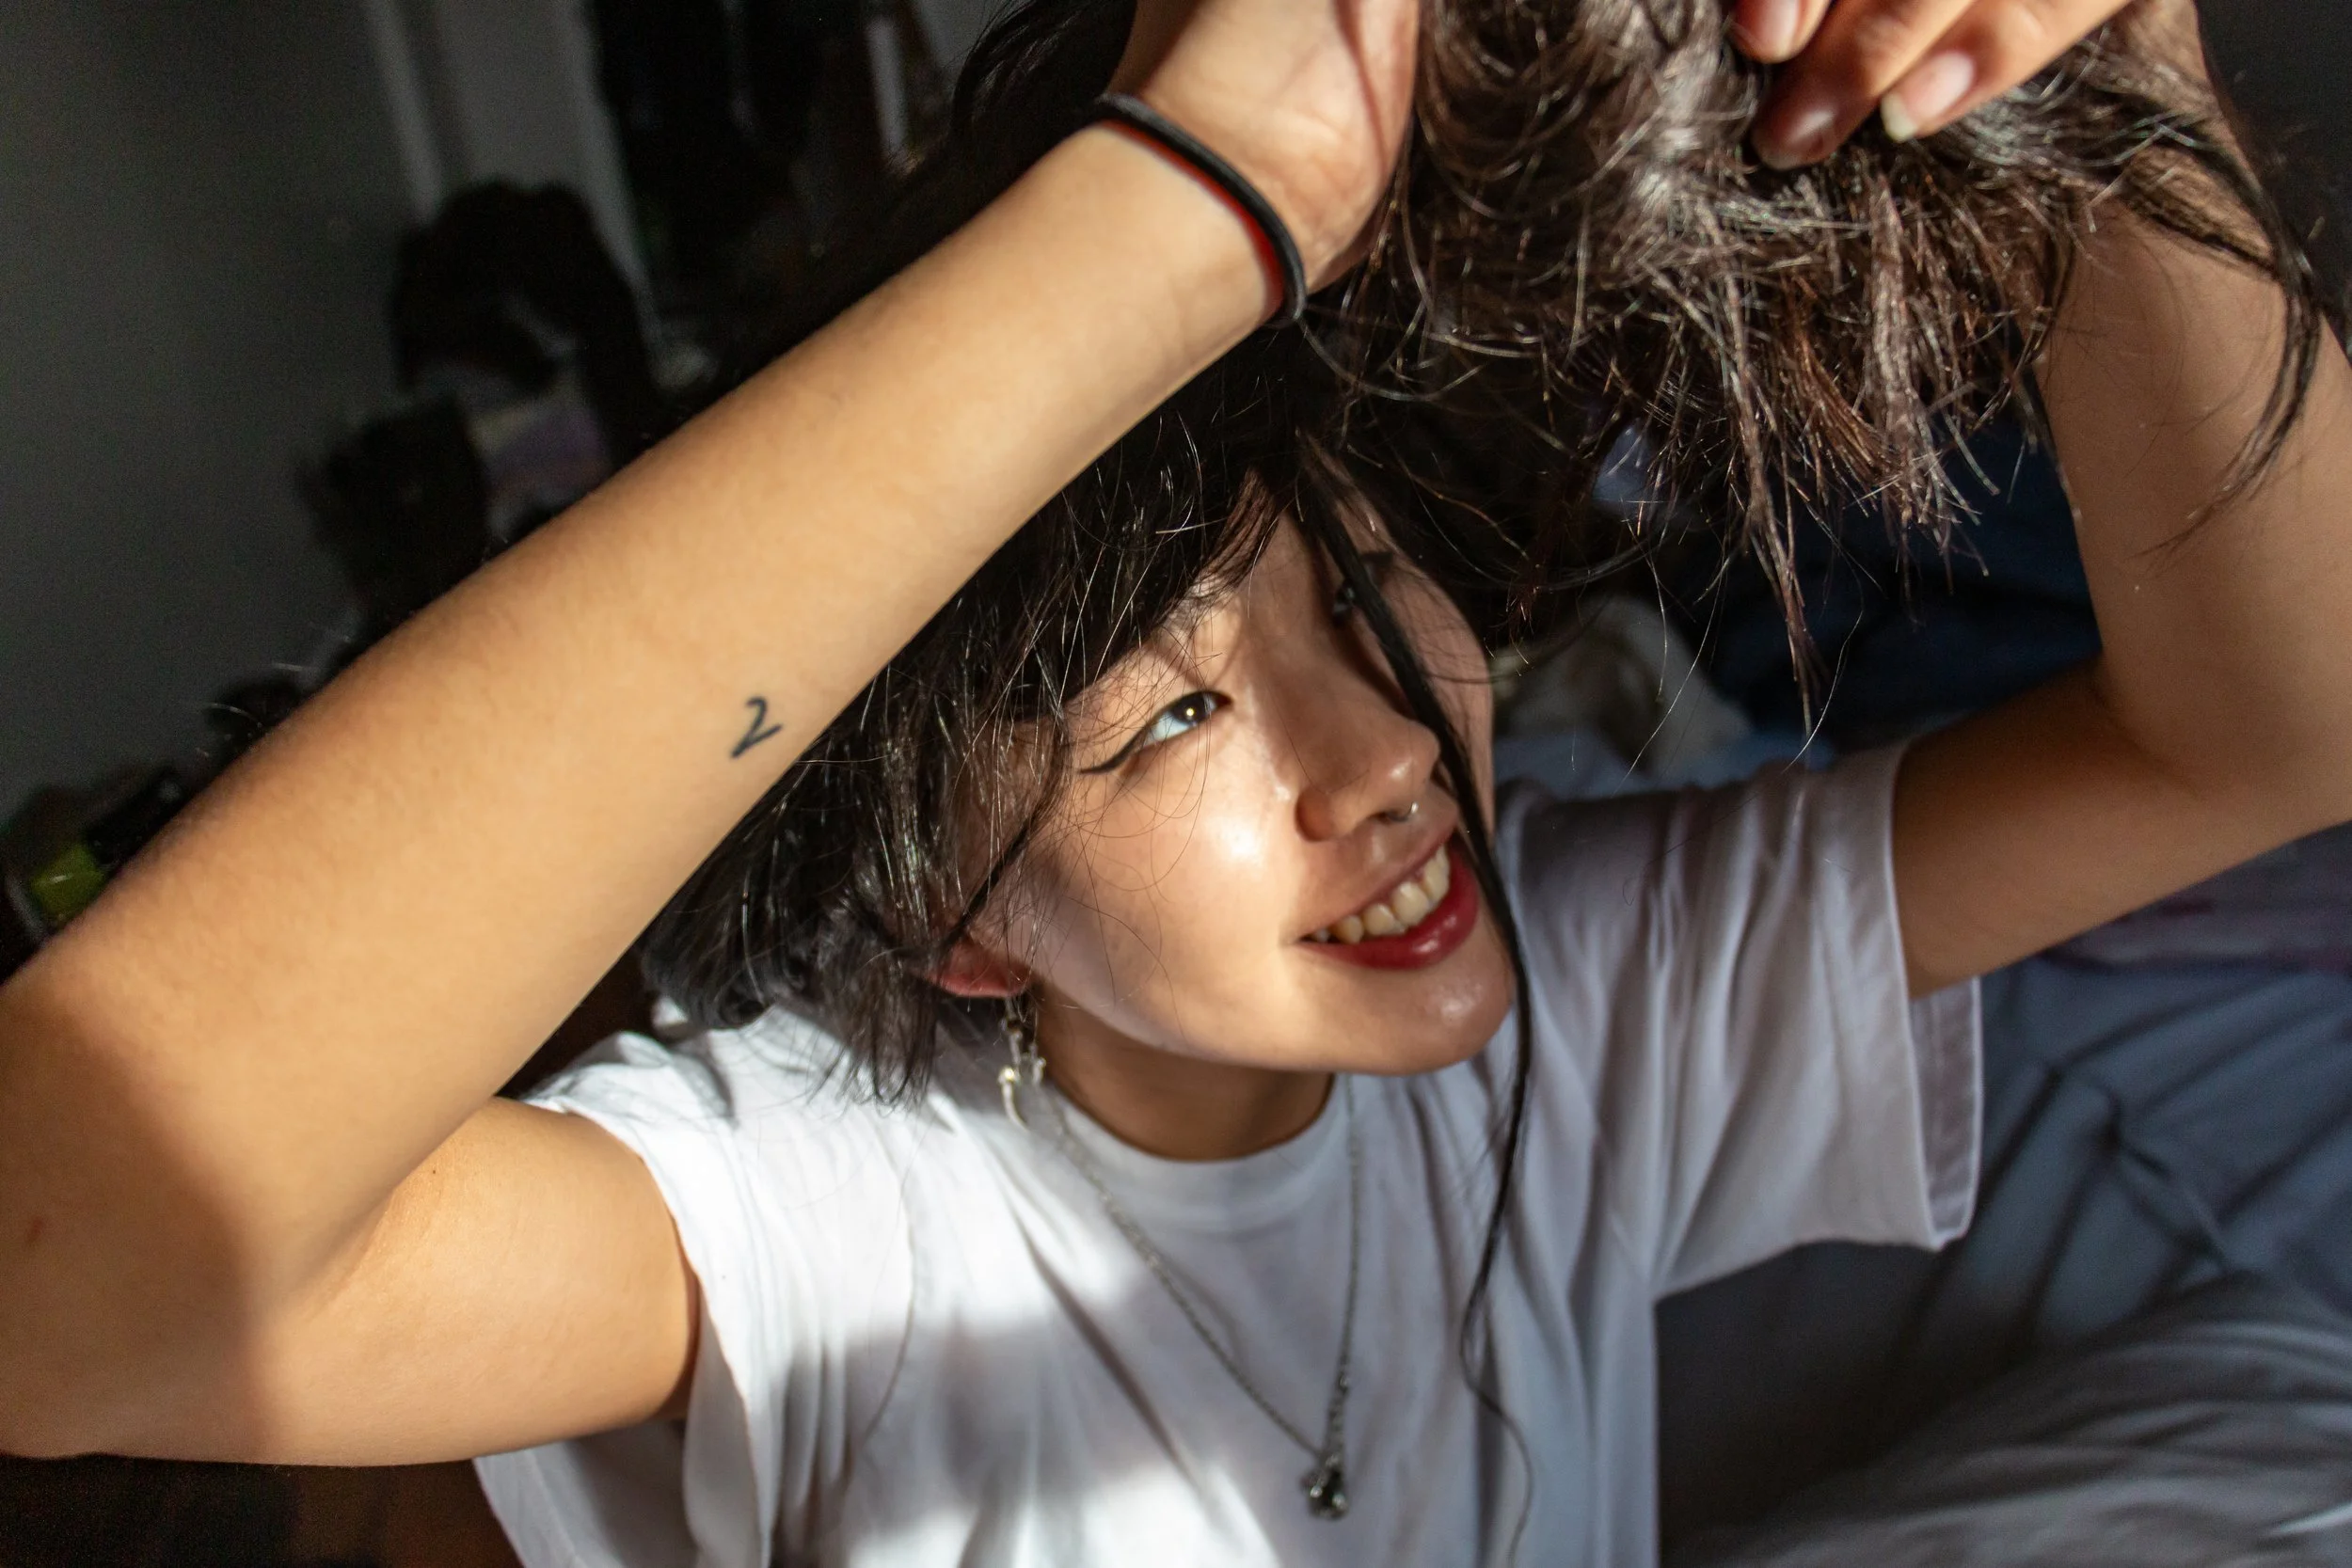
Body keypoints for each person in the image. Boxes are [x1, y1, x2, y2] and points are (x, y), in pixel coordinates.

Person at [1, 0, 2345, 1564]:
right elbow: (68, 1285)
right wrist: (1186, 200)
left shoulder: (1574, 1007)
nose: (1387, 763)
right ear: (956, 913)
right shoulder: (842, 1216)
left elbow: (2275, 728)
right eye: (1168, 716)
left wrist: (2113, 58)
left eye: (1358, 596)